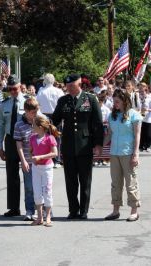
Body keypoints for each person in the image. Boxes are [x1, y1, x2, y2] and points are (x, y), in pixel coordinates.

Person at [52, 74, 104, 219]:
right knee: (70, 180)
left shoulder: (90, 99)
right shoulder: (63, 100)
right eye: (68, 87)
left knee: (85, 179)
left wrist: (98, 144)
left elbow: (97, 124)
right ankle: (73, 210)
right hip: (68, 145)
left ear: (79, 84)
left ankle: (84, 210)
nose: (69, 89)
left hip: (85, 145)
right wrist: (45, 124)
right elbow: (55, 120)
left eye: (72, 86)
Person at [104, 89, 142, 222]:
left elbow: (137, 135)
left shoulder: (134, 115)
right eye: (114, 101)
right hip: (114, 153)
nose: (115, 104)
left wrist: (136, 154)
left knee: (131, 183)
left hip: (128, 153)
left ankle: (134, 211)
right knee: (116, 183)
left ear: (125, 101)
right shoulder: (111, 116)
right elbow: (109, 134)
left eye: (117, 101)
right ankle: (115, 211)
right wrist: (99, 145)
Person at [0, 76, 26, 217]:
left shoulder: (28, 102)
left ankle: (31, 208)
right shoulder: (5, 104)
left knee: (29, 175)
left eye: (15, 89)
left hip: (26, 141)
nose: (13, 91)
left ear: (20, 87)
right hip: (11, 141)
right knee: (12, 176)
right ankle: (14, 208)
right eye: (10, 89)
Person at [29, 115, 59, 226]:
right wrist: (33, 157)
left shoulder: (49, 138)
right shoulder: (32, 138)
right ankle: (40, 217)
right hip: (36, 168)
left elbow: (55, 153)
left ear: (40, 127)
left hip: (47, 168)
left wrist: (40, 157)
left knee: (47, 191)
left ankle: (48, 217)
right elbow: (31, 151)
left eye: (34, 126)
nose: (32, 127)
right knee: (37, 192)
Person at [13, 97, 39, 221]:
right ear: (26, 111)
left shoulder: (41, 121)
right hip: (28, 160)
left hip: (41, 161)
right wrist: (23, 161)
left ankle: (45, 210)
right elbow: (19, 144)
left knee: (43, 186)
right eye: (32, 112)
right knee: (29, 187)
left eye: (36, 112)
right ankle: (29, 210)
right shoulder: (19, 124)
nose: (35, 115)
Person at [36, 73, 64, 168]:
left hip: (44, 115)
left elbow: (37, 103)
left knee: (45, 137)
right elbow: (62, 105)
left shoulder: (41, 91)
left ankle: (48, 158)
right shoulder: (58, 91)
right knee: (57, 137)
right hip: (56, 114)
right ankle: (56, 159)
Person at [93, 91, 111, 166]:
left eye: (98, 102)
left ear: (101, 101)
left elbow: (109, 119)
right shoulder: (93, 109)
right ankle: (96, 158)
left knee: (104, 143)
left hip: (104, 128)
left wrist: (104, 122)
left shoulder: (106, 109)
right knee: (96, 143)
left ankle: (104, 159)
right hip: (95, 128)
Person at [139, 83, 151, 152]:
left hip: (148, 118)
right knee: (141, 133)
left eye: (143, 87)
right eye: (140, 87)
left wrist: (147, 110)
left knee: (148, 134)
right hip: (140, 117)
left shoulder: (149, 97)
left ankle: (148, 145)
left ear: (146, 88)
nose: (141, 89)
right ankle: (141, 146)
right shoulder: (137, 96)